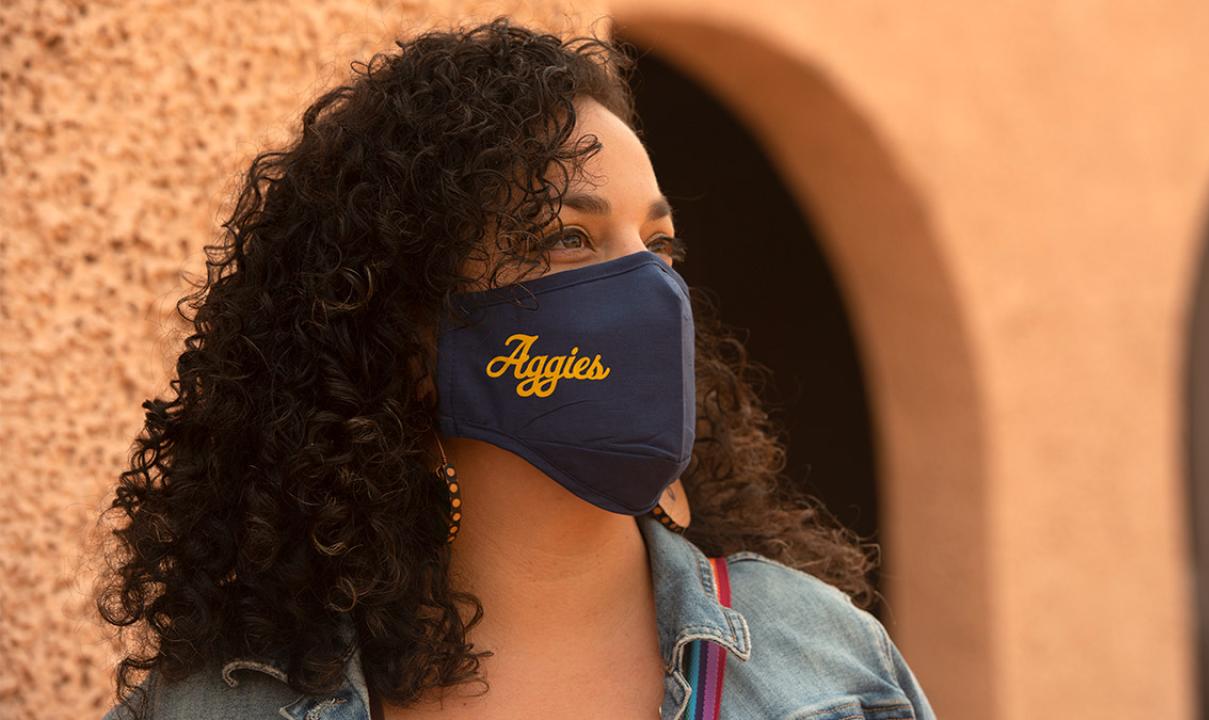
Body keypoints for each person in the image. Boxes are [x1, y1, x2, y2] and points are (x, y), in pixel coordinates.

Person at [96, 15, 936, 720]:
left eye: (660, 243)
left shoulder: (826, 668)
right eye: (568, 237)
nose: (650, 286)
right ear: (404, 325)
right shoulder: (214, 705)